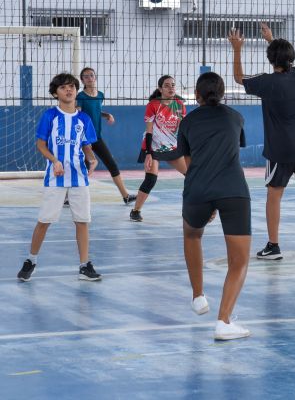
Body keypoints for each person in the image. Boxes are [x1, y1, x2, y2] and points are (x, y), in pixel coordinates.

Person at [229, 23, 295, 260]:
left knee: (274, 193)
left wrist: (237, 49)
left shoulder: (266, 82)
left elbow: (238, 78)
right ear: (292, 58)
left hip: (280, 149)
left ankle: (273, 246)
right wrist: (271, 40)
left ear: (270, 60)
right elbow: (283, 61)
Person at [177, 72, 252, 341]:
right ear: (222, 94)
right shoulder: (236, 117)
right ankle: (224, 321)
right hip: (233, 190)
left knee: (191, 234)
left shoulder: (186, 122)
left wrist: (207, 198)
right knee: (239, 261)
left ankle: (198, 296)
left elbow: (188, 160)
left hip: (197, 188)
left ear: (196, 95)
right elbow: (232, 150)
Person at [17, 72, 102, 282]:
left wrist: (92, 159)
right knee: (44, 220)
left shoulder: (83, 118)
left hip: (79, 178)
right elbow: (40, 144)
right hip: (55, 178)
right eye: (63, 87)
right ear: (55, 93)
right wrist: (54, 160)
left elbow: (86, 145)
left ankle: (84, 265)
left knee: (82, 221)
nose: (69, 90)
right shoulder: (50, 116)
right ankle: (31, 260)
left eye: (72, 86)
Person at [129, 75, 188, 222]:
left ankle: (188, 208)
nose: (171, 88)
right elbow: (149, 131)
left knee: (192, 176)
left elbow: (183, 129)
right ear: (160, 89)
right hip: (153, 147)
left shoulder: (180, 105)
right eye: (167, 85)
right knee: (151, 180)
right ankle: (135, 211)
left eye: (173, 85)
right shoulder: (153, 105)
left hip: (172, 147)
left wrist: (186, 148)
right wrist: (148, 153)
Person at [76, 67, 137, 205]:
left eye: (91, 75)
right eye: (86, 76)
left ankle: (125, 196)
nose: (89, 78)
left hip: (97, 137)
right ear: (82, 80)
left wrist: (107, 115)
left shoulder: (100, 95)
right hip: (84, 138)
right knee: (83, 168)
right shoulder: (81, 96)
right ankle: (70, 197)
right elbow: (79, 114)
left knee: (112, 164)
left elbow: (95, 112)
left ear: (95, 77)